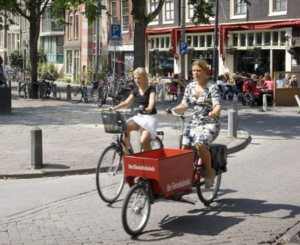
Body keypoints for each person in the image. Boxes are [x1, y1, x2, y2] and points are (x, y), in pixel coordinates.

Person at [166, 60, 222, 189]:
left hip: (210, 122)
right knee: (184, 145)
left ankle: (209, 171)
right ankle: (184, 176)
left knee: (200, 143)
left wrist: (214, 112)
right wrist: (173, 110)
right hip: (195, 122)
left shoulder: (212, 86)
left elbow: (217, 104)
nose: (196, 73)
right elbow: (184, 105)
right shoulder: (190, 86)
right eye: (194, 71)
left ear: (205, 72)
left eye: (199, 70)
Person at [110, 67, 157, 152]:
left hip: (150, 118)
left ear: (145, 77)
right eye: (135, 78)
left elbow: (151, 101)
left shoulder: (151, 90)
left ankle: (151, 160)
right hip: (140, 117)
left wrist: (149, 108)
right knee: (125, 128)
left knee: (143, 141)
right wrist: (114, 108)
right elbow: (126, 102)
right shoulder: (136, 90)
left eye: (139, 78)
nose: (136, 80)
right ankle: (127, 155)